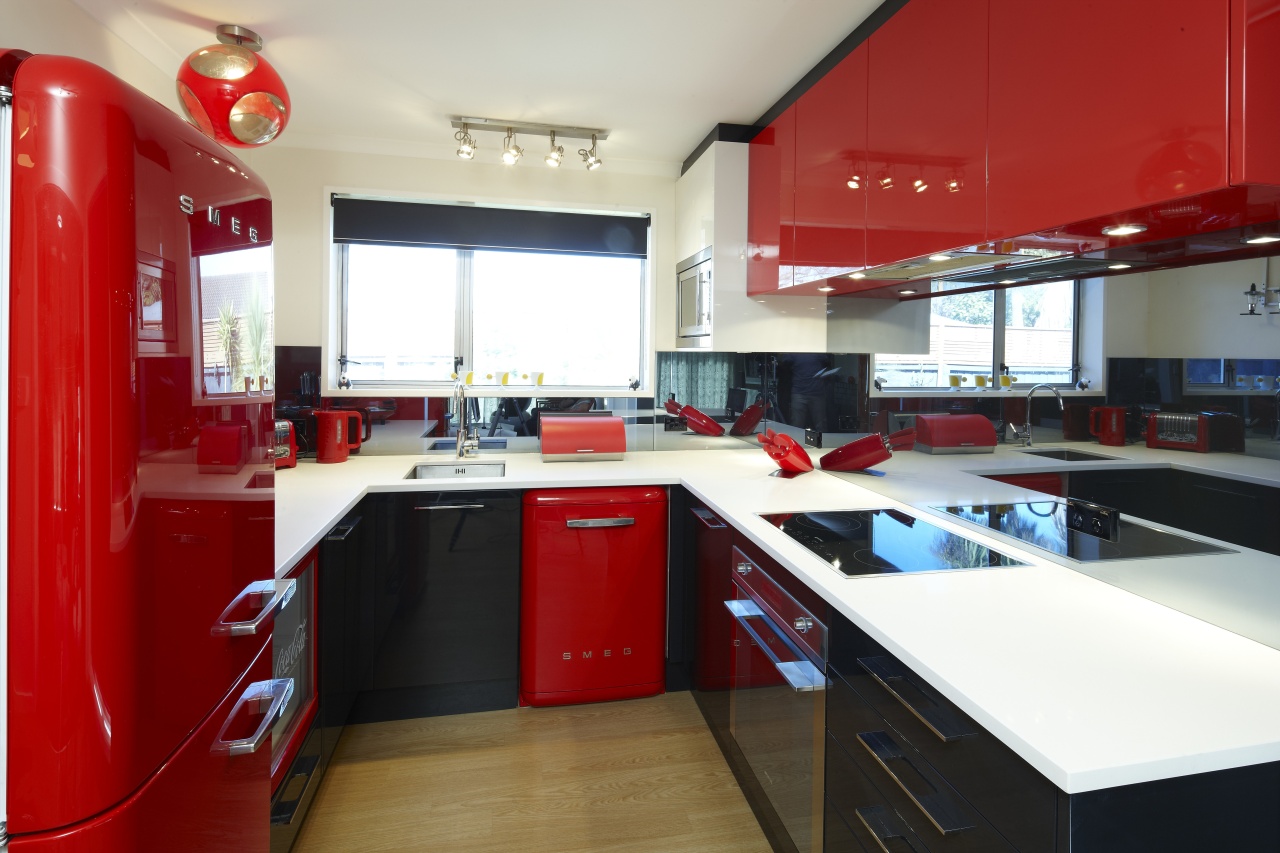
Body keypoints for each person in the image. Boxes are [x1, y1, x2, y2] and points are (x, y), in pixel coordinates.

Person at [782, 353, 834, 432]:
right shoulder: (794, 350)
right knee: (797, 425)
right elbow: (785, 364)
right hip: (799, 392)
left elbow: (827, 364)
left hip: (816, 393)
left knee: (820, 426)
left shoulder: (818, 350)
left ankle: (821, 444)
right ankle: (796, 444)